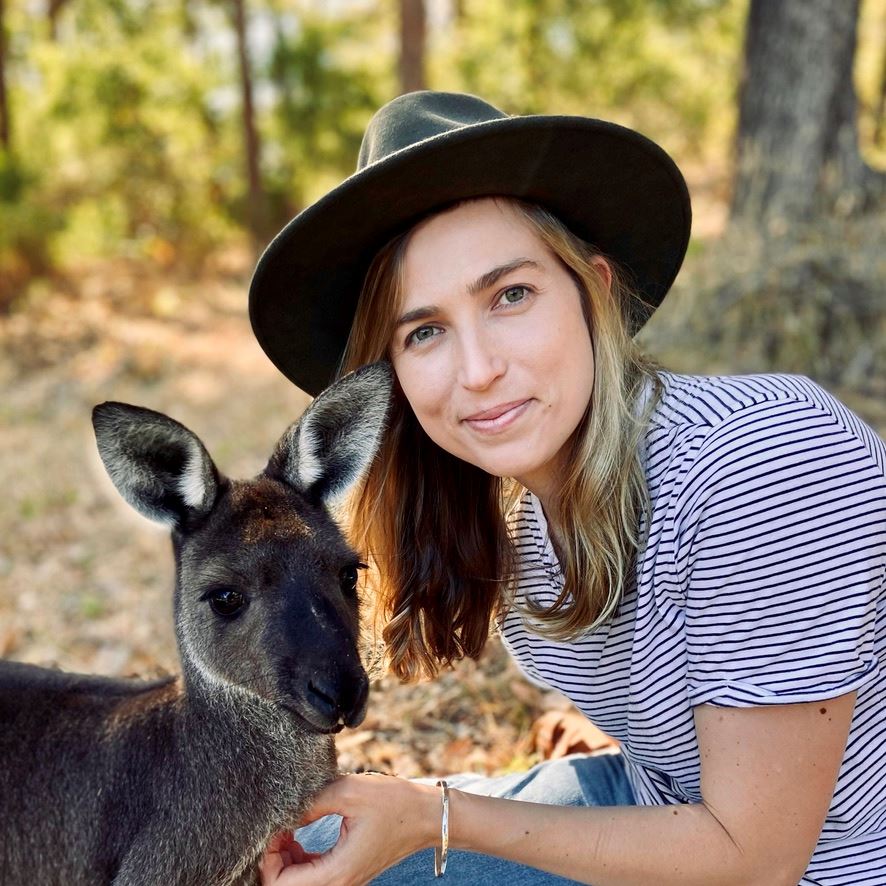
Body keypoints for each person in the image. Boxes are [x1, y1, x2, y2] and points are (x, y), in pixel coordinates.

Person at [247, 91, 886, 885]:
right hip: (654, 810)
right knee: (293, 863)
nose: (478, 371)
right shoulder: (519, 529)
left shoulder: (767, 457)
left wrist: (428, 817)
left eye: (510, 295)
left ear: (596, 290)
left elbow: (758, 861)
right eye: (425, 331)